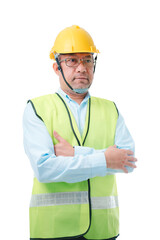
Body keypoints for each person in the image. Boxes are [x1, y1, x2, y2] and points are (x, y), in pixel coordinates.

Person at [23, 25, 137, 240]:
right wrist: (106, 159)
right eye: (72, 60)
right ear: (57, 68)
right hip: (54, 229)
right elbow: (45, 169)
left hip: (103, 230)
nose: (82, 68)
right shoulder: (37, 108)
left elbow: (127, 161)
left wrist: (76, 153)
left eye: (87, 60)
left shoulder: (110, 109)